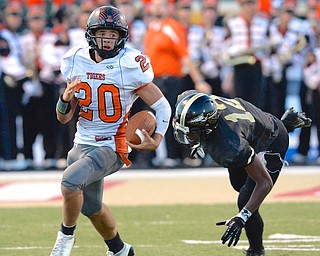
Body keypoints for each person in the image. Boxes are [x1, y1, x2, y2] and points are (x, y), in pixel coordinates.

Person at [50, 6, 171, 256]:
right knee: (91, 207)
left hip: (113, 143)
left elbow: (162, 105)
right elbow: (63, 118)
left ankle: (65, 239)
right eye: (102, 33)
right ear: (91, 34)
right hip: (82, 141)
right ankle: (120, 250)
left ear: (122, 36)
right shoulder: (75, 59)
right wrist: (65, 97)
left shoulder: (130, 63)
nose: (107, 40)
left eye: (113, 34)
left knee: (70, 182)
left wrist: (157, 138)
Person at [172, 90, 311, 256]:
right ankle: (284, 124)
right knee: (238, 184)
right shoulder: (187, 99)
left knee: (246, 199)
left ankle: (256, 250)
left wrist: (242, 217)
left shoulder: (230, 145)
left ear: (207, 127)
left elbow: (264, 182)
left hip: (270, 141)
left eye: (191, 131)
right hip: (249, 127)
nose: (186, 134)